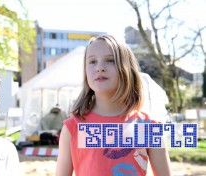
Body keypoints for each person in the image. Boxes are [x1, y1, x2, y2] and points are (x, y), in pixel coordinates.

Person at [55, 35, 172, 176]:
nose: (100, 68)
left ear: (127, 69)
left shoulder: (149, 127)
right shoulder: (72, 128)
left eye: (110, 60)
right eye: (92, 61)